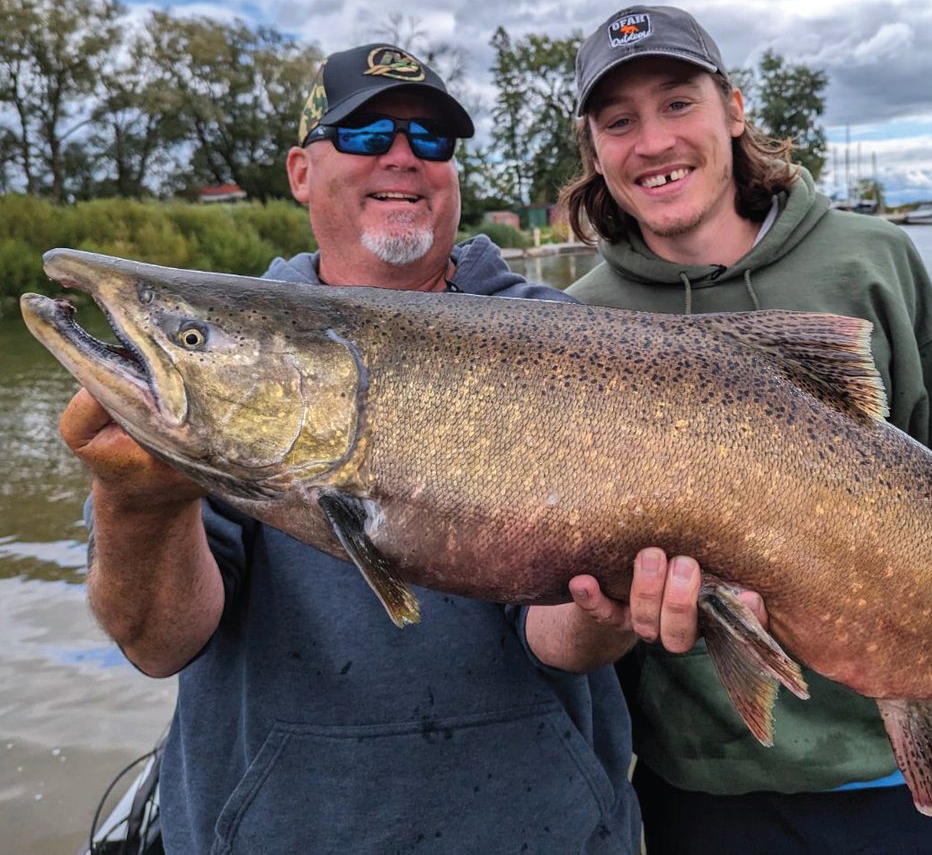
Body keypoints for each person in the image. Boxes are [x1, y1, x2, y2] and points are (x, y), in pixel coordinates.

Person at [61, 42, 699, 854]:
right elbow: (157, 641)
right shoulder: (227, 356)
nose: (403, 156)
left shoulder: (563, 341)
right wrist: (135, 502)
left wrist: (608, 607)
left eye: (431, 139)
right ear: (301, 170)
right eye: (365, 133)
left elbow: (553, 637)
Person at [559, 5, 932, 854]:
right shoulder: (574, 325)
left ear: (734, 109)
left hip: (907, 771)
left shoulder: (873, 259)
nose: (653, 140)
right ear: (595, 151)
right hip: (702, 783)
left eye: (678, 102)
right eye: (619, 121)